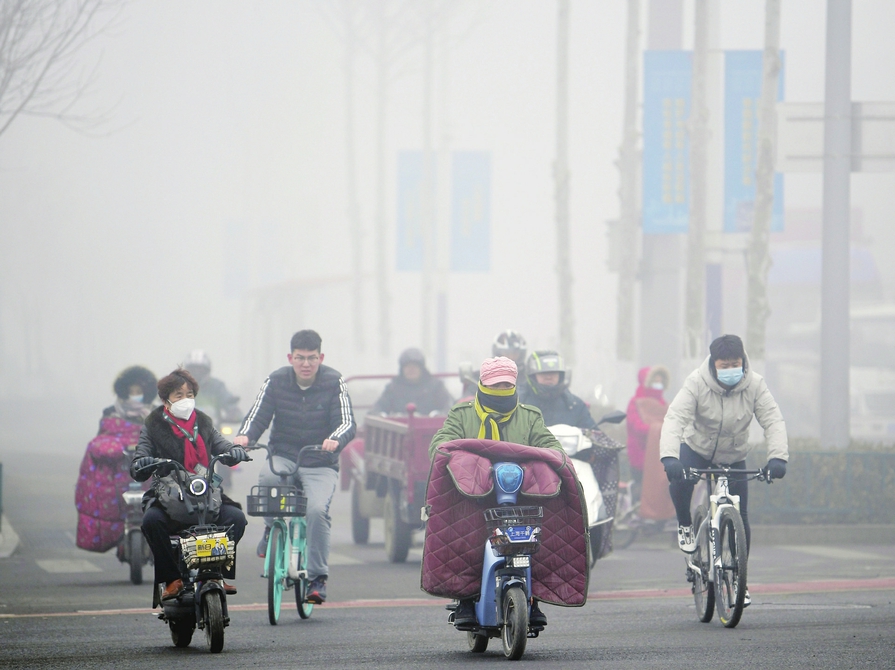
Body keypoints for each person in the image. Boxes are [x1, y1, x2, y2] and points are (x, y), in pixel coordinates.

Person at [428, 356, 562, 628]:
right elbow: (440, 445)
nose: (501, 390)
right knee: (464, 537)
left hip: (520, 496)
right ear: (482, 384)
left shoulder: (530, 416)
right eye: (495, 385)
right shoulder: (461, 414)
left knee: (540, 537)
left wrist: (555, 457)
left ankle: (533, 599)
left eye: (506, 385)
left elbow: (550, 446)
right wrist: (462, 461)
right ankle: (465, 598)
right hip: (472, 498)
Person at [659, 334, 788, 607]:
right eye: (724, 364)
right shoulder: (696, 383)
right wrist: (670, 457)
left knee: (740, 516)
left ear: (743, 361)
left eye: (735, 363)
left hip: (733, 455)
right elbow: (675, 418)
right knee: (680, 481)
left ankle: (741, 578)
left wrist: (778, 457)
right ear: (713, 364)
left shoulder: (755, 385)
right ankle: (685, 525)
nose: (731, 369)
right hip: (697, 449)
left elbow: (773, 419)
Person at [233, 329, 356, 605]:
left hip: (319, 460)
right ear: (290, 357)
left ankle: (317, 578)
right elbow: (257, 415)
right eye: (300, 358)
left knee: (315, 511)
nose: (306, 364)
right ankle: (269, 530)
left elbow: (347, 422)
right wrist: (246, 436)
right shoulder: (276, 381)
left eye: (312, 358)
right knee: (267, 481)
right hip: (284, 455)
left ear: (320, 357)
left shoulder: (334, 381)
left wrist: (335, 439)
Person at [130, 368, 250, 601]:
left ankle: (216, 574)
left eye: (190, 394)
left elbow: (222, 445)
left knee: (236, 519)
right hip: (169, 499)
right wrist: (142, 463)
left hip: (205, 495)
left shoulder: (204, 422)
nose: (185, 400)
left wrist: (234, 452)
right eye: (178, 395)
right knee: (151, 522)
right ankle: (172, 579)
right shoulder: (153, 426)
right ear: (166, 400)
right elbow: (139, 460)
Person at [76, 365, 158, 554]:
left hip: (147, 467)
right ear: (124, 391)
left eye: (139, 391)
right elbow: (103, 437)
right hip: (119, 468)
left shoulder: (155, 413)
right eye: (132, 391)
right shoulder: (110, 412)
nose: (135, 394)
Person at [518, 349, 595, 429]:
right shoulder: (515, 403)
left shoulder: (574, 405)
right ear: (532, 376)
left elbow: (595, 436)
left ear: (561, 375)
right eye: (543, 373)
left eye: (553, 372)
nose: (549, 377)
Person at [625, 365, 671, 492]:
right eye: (655, 381)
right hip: (641, 457)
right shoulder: (635, 403)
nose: (658, 384)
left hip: (661, 457)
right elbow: (637, 427)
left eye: (661, 381)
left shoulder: (665, 404)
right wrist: (660, 429)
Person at [371, 347, 453, 416]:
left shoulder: (436, 386)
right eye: (407, 367)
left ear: (422, 369)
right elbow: (377, 409)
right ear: (402, 369)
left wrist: (438, 415)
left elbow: (450, 406)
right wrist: (382, 415)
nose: (411, 370)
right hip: (399, 432)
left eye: (414, 366)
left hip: (431, 432)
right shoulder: (393, 388)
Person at [183, 350, 243, 424]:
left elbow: (227, 401)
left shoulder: (217, 386)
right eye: (193, 370)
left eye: (200, 370)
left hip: (213, 429)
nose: (197, 373)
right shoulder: (178, 386)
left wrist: (234, 412)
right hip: (183, 430)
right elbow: (167, 402)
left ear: (207, 370)